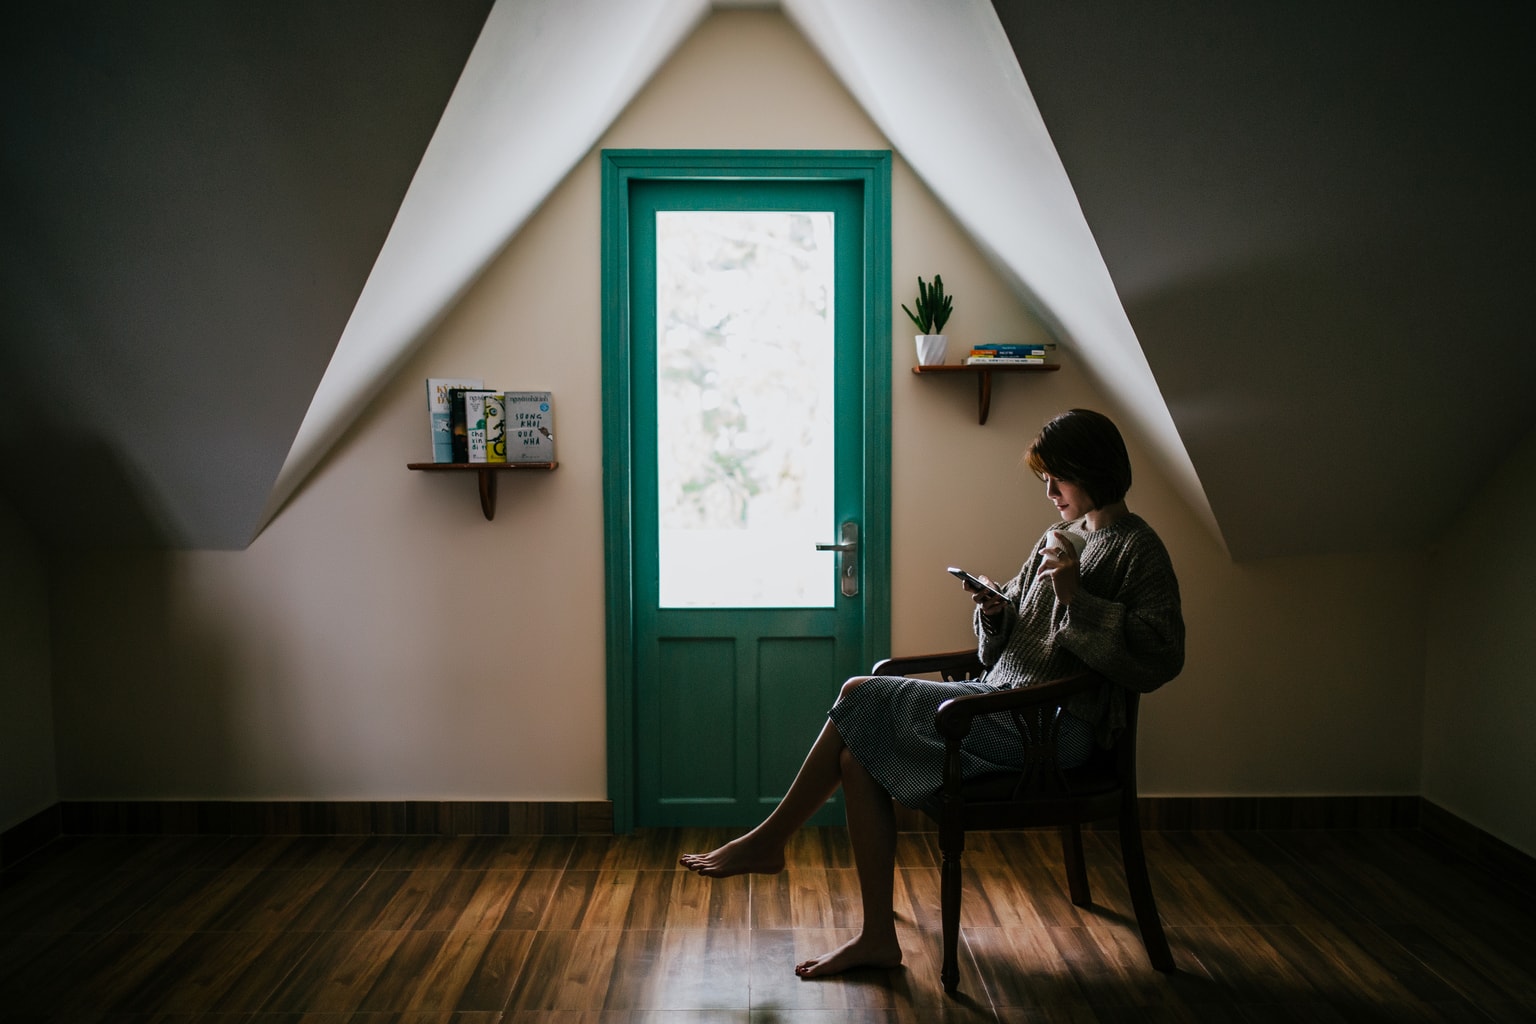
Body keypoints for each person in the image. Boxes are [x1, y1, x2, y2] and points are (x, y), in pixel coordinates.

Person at [680, 408, 1185, 978]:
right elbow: (1008, 645)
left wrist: (1076, 599)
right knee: (855, 758)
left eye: (1058, 477)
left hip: (1056, 735)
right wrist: (996, 611)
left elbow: (1162, 655)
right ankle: (876, 938)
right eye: (1044, 478)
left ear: (1094, 469)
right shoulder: (1059, 536)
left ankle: (769, 841)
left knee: (858, 691)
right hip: (1005, 708)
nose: (1048, 491)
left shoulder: (1139, 550)